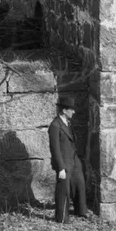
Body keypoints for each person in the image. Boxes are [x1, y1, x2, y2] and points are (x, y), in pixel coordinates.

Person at [48, 92, 88, 222]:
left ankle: (80, 211)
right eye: (71, 110)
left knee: (79, 183)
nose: (74, 112)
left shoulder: (68, 123)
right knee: (63, 188)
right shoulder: (55, 125)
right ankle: (62, 217)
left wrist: (77, 161)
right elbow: (55, 148)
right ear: (64, 110)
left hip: (74, 160)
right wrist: (60, 168)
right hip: (64, 161)